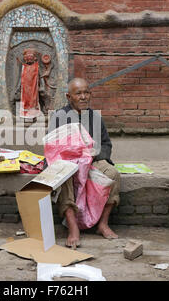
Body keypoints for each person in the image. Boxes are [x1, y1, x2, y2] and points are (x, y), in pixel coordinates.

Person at [48, 78, 121, 249]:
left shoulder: (95, 117)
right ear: (69, 97)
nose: (83, 97)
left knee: (113, 174)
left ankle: (102, 224)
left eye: (86, 92)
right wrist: (74, 158)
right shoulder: (59, 117)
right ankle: (73, 228)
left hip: (92, 161)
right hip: (68, 164)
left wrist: (92, 156)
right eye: (78, 93)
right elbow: (52, 147)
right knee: (64, 176)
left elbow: (106, 144)